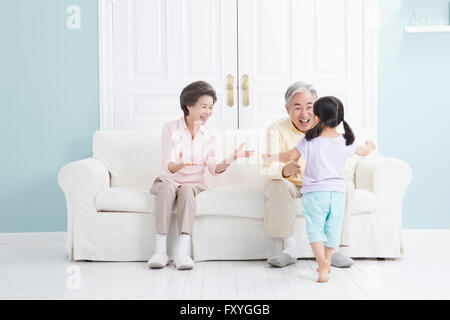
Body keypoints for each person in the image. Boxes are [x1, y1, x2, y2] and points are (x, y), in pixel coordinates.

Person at [262, 96, 376, 282]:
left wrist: (271, 157)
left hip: (315, 194)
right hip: (338, 193)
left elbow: (290, 155)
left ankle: (321, 262)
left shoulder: (310, 140)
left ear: (317, 118)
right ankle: (328, 261)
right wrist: (370, 145)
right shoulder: (345, 141)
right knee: (332, 228)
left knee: (315, 229)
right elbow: (363, 151)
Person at [147, 81, 254, 270]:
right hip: (168, 179)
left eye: (211, 107)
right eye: (204, 106)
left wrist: (232, 157)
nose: (208, 112)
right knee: (167, 188)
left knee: (187, 189)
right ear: (188, 106)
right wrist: (180, 163)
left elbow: (213, 168)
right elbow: (169, 164)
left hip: (194, 183)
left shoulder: (211, 133)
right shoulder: (170, 128)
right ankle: (160, 251)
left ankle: (182, 252)